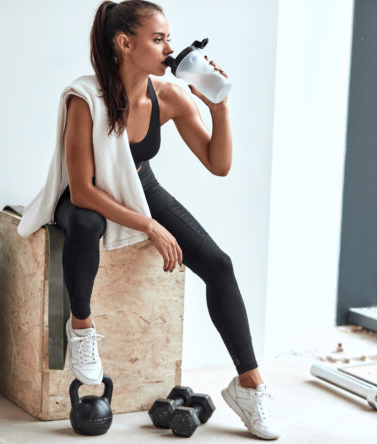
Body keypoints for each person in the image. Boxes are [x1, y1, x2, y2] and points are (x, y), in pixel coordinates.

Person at [53, 0, 279, 439]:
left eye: (169, 39)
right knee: (85, 224)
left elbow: (219, 164)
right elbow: (82, 190)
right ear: (124, 43)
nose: (169, 49)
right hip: (88, 194)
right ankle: (81, 326)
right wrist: (149, 226)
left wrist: (220, 107)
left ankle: (249, 386)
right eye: (158, 39)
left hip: (141, 186)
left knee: (219, 265)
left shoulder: (170, 96)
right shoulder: (86, 98)